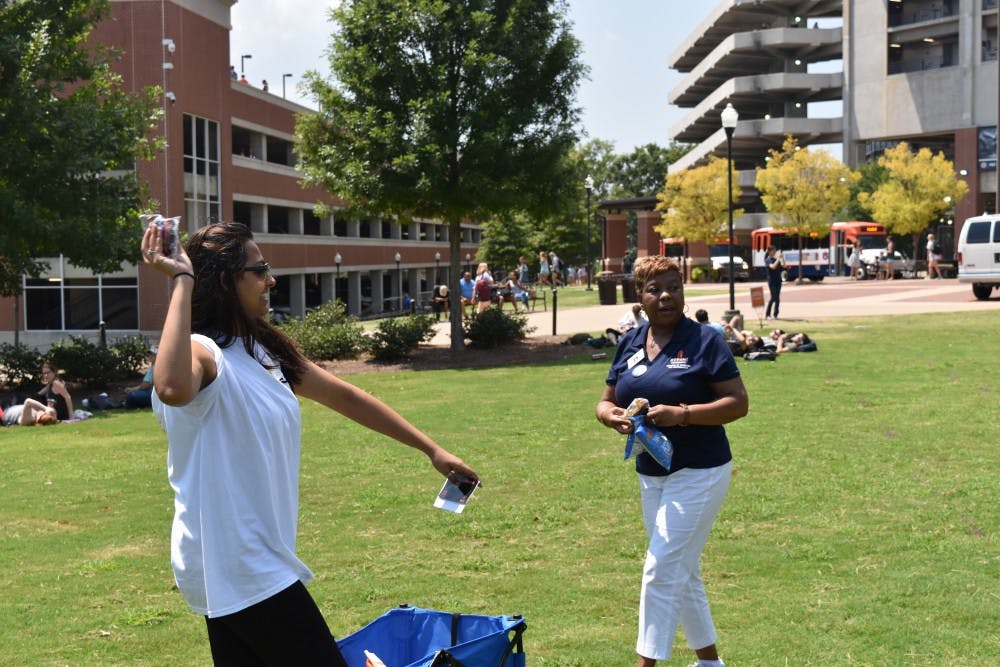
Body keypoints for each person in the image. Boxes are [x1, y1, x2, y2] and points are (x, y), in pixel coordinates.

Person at [140, 221, 478, 666]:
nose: (270, 281)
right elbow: (170, 387)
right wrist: (182, 280)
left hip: (240, 563)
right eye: (259, 270)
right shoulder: (204, 352)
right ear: (225, 281)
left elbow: (344, 396)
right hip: (240, 564)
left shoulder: (260, 351)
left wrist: (430, 448)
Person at [595, 255, 748, 667]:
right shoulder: (630, 341)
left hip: (700, 471)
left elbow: (738, 403)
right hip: (651, 472)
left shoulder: (705, 340)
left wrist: (683, 414)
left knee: (660, 570)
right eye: (655, 289)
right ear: (639, 295)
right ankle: (710, 663)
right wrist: (610, 415)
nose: (666, 296)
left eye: (673, 288)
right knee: (682, 569)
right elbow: (606, 400)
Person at [764, 245, 784, 320]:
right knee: (773, 297)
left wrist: (782, 258)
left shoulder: (776, 259)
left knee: (777, 298)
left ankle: (775, 315)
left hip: (778, 281)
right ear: (769, 251)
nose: (775, 252)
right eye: (773, 250)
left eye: (775, 250)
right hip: (772, 281)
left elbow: (784, 266)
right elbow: (773, 267)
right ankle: (767, 314)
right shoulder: (768, 260)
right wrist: (778, 259)